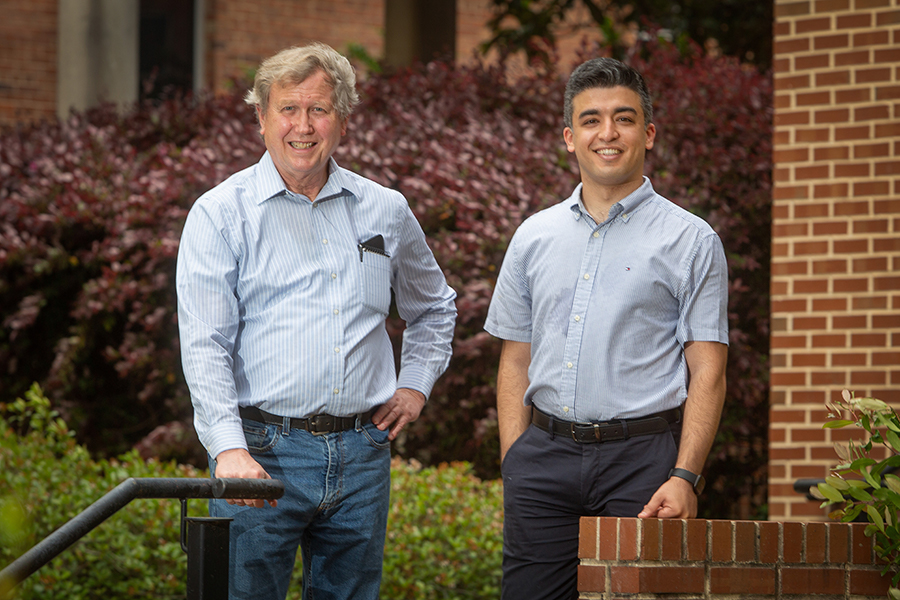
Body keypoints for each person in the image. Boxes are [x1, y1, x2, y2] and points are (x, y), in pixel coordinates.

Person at [176, 42, 457, 600]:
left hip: (362, 454)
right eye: (287, 108)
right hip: (259, 451)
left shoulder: (385, 209)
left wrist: (415, 385)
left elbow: (434, 306)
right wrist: (229, 448)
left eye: (319, 110)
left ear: (343, 122)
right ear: (260, 117)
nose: (302, 126)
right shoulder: (220, 213)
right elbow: (204, 343)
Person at [484, 57, 729, 600]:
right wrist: (515, 460)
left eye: (624, 117)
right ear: (570, 138)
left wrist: (685, 476)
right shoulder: (532, 237)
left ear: (648, 132)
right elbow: (515, 360)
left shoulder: (691, 241)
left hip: (641, 461)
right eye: (591, 120)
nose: (608, 133)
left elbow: (708, 370)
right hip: (543, 458)